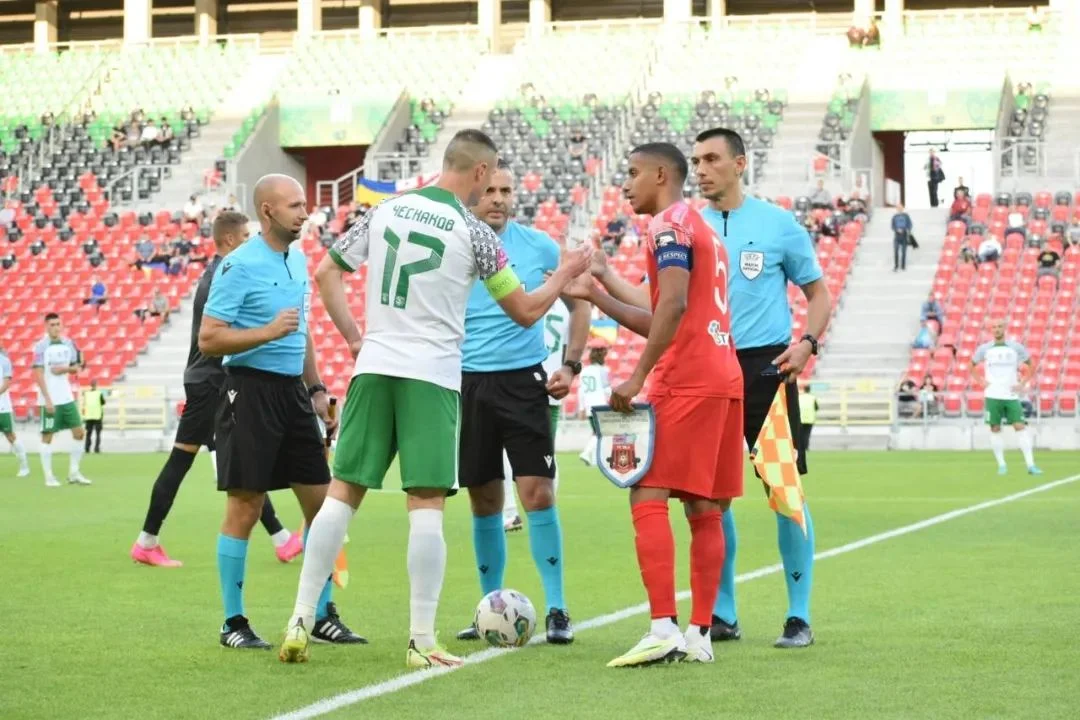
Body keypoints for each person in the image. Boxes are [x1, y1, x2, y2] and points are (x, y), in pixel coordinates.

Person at [278, 130, 592, 667]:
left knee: (341, 494)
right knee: (425, 505)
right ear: (480, 172)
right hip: (432, 376)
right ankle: (421, 640)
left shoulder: (386, 210)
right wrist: (564, 273)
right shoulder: (475, 233)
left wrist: (354, 338)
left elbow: (327, 272)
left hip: (374, 367)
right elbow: (524, 311)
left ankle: (300, 619)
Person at [566, 142, 743, 667]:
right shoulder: (702, 228)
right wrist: (600, 287)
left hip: (686, 377)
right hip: (723, 373)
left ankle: (663, 626)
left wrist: (638, 374)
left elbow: (673, 307)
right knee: (705, 507)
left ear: (661, 175)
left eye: (632, 172)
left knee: (646, 490)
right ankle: (700, 635)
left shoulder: (668, 226)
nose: (625, 183)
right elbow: (660, 305)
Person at [198, 176, 364, 650]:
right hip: (248, 393)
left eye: (305, 205)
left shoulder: (297, 259)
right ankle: (233, 622)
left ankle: (321, 613)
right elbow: (209, 339)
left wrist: (316, 389)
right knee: (245, 506)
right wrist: (267, 332)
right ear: (267, 211)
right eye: (294, 205)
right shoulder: (238, 265)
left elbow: (301, 331)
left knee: (323, 506)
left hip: (292, 394)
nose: (304, 213)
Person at [695, 127, 830, 648]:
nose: (702, 170)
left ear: (740, 163)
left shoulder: (778, 224)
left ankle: (799, 616)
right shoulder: (689, 228)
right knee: (712, 499)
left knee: (783, 490)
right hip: (709, 369)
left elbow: (818, 294)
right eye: (696, 161)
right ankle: (723, 613)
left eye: (712, 159)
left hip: (766, 371)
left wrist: (807, 344)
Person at [450, 159, 590, 645]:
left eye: (506, 191)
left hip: (524, 383)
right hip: (467, 385)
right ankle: (490, 608)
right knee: (484, 498)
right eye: (490, 190)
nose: (499, 199)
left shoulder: (538, 246)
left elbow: (580, 304)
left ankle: (557, 608)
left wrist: (570, 365)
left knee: (537, 494)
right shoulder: (454, 245)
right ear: (473, 193)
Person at [131, 212, 301, 568]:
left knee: (238, 460)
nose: (251, 241)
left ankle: (282, 538)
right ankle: (146, 541)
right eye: (245, 236)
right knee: (189, 460)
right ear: (229, 240)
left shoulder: (219, 273)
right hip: (212, 382)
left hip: (209, 380)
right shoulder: (225, 276)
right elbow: (220, 337)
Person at [971, 320, 1042, 476]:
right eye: (994, 327)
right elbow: (971, 365)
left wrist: (1022, 383)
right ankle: (1002, 465)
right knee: (995, 428)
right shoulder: (984, 349)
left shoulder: (1016, 347)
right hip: (992, 395)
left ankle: (1030, 465)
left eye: (999, 327)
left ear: (1004, 329)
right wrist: (980, 381)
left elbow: (1031, 365)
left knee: (1020, 426)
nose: (997, 329)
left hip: (1011, 395)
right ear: (991, 330)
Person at [33, 314, 91, 487]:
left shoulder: (69, 343)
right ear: (46, 326)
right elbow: (38, 374)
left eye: (58, 324)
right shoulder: (40, 347)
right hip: (49, 398)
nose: (56, 327)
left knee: (79, 433)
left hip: (66, 397)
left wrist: (65, 369)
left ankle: (74, 472)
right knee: (47, 436)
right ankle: (49, 477)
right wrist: (47, 399)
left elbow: (76, 367)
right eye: (52, 324)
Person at [576, 340, 611, 466]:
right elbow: (607, 389)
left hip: (589, 406)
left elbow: (581, 391)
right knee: (601, 433)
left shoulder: (584, 371)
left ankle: (596, 460)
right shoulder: (603, 370)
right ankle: (586, 453)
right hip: (600, 405)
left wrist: (581, 408)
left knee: (596, 432)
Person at [0, 345, 31, 476]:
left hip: (2, 407)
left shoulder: (4, 361)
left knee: (10, 436)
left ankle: (24, 466)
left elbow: (6, 384)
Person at [81, 380, 105, 453]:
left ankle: (87, 448)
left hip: (88, 416)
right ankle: (96, 448)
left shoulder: (86, 394)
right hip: (97, 416)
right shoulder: (99, 393)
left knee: (88, 434)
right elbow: (103, 402)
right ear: (96, 385)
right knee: (98, 434)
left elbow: (84, 404)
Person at [891, 204, 913, 272]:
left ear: (903, 208)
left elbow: (910, 224)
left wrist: (906, 230)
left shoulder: (906, 216)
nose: (899, 209)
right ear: (897, 209)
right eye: (898, 208)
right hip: (897, 235)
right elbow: (892, 226)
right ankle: (896, 266)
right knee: (896, 251)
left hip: (904, 235)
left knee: (904, 251)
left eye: (901, 207)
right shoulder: (894, 216)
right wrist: (896, 229)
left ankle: (903, 266)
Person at [798, 384, 818, 455]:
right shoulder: (813, 397)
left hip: (801, 418)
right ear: (809, 390)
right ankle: (806, 447)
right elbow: (816, 408)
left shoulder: (800, 397)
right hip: (810, 419)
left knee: (801, 434)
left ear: (804, 389)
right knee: (807, 434)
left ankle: (800, 447)